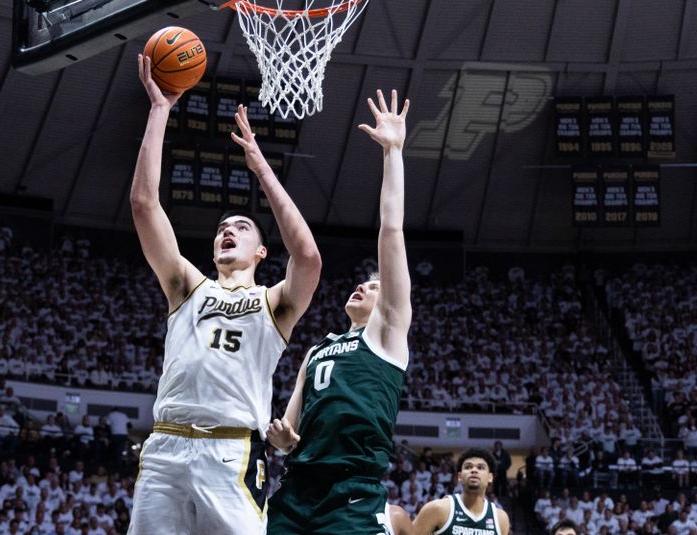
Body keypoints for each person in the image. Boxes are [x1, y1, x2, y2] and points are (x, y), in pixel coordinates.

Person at [127, 54, 321, 534]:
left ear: (260, 252)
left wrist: (262, 171)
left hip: (231, 451)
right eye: (221, 228)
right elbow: (143, 204)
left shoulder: (274, 303)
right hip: (166, 447)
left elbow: (309, 258)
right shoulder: (186, 287)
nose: (227, 231)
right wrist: (160, 110)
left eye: (240, 227)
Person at [266, 89, 411, 534]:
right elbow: (290, 431)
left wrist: (393, 153)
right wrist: (284, 441)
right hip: (295, 490)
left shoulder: (387, 334)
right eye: (361, 282)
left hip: (351, 493)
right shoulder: (317, 351)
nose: (363, 286)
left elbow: (391, 228)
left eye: (374, 285)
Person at [413, 449, 511, 535]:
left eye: (480, 467)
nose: (474, 470)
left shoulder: (500, 519)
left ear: (490, 477)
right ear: (459, 477)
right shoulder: (437, 509)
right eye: (468, 467)